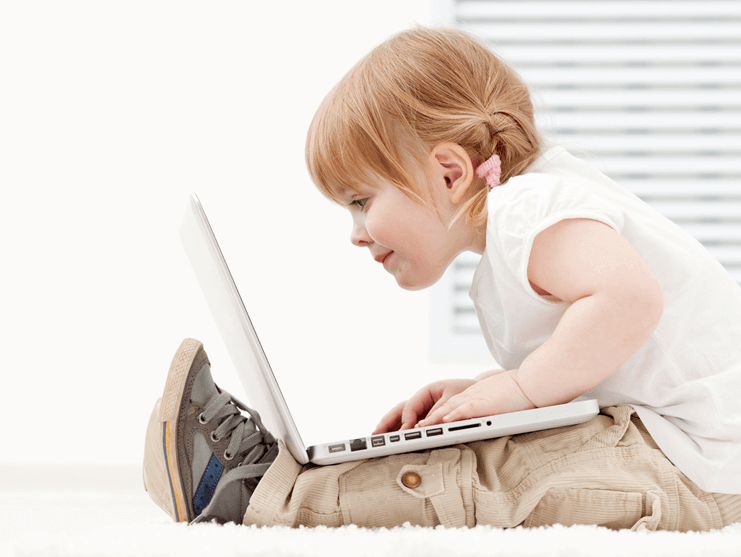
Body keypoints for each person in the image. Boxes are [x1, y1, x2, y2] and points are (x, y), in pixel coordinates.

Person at [143, 26, 741, 530]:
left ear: (451, 173)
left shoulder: (526, 209)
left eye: (360, 200)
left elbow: (630, 300)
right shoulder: (526, 219)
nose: (356, 232)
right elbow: (611, 347)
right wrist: (490, 385)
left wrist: (521, 390)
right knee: (483, 449)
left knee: (492, 478)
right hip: (680, 447)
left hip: (697, 463)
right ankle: (288, 476)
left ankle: (270, 497)